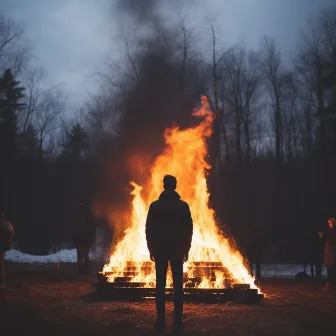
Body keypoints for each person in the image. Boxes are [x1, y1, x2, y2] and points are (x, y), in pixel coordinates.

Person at [146, 175, 193, 331]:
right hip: (177, 250)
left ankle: (160, 320)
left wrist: (151, 249)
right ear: (175, 186)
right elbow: (188, 230)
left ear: (164, 186)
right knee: (178, 286)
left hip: (160, 250)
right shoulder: (183, 206)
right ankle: (178, 320)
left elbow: (149, 230)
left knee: (160, 285)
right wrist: (186, 249)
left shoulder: (155, 206)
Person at [74, 201, 93, 274]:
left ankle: (82, 270)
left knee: (82, 257)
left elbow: (77, 235)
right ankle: (82, 270)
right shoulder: (82, 226)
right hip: (82, 244)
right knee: (83, 257)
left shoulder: (81, 226)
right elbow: (77, 235)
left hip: (83, 244)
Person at [319, 217, 336, 291]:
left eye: (330, 223)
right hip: (330, 254)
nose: (329, 224)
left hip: (331, 254)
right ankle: (330, 285)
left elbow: (331, 240)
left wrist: (324, 236)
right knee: (330, 269)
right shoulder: (331, 231)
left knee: (331, 269)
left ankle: (330, 285)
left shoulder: (333, 231)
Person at [0, 211, 15, 288]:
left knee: (1, 264)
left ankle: (3, 283)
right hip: (2, 245)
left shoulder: (6, 223)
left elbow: (12, 233)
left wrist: (8, 242)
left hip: (2, 245)